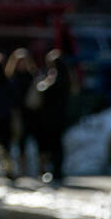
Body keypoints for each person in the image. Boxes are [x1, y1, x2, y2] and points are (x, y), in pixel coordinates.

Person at [36, 49, 72, 185]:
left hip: (52, 117)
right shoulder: (67, 77)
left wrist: (44, 83)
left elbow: (44, 91)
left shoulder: (56, 78)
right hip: (61, 116)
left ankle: (56, 170)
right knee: (58, 144)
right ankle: (57, 170)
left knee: (53, 145)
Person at [5, 48, 39, 177]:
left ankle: (30, 169)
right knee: (17, 141)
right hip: (16, 114)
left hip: (30, 113)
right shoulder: (11, 78)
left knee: (31, 141)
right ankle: (15, 169)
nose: (22, 65)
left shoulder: (33, 77)